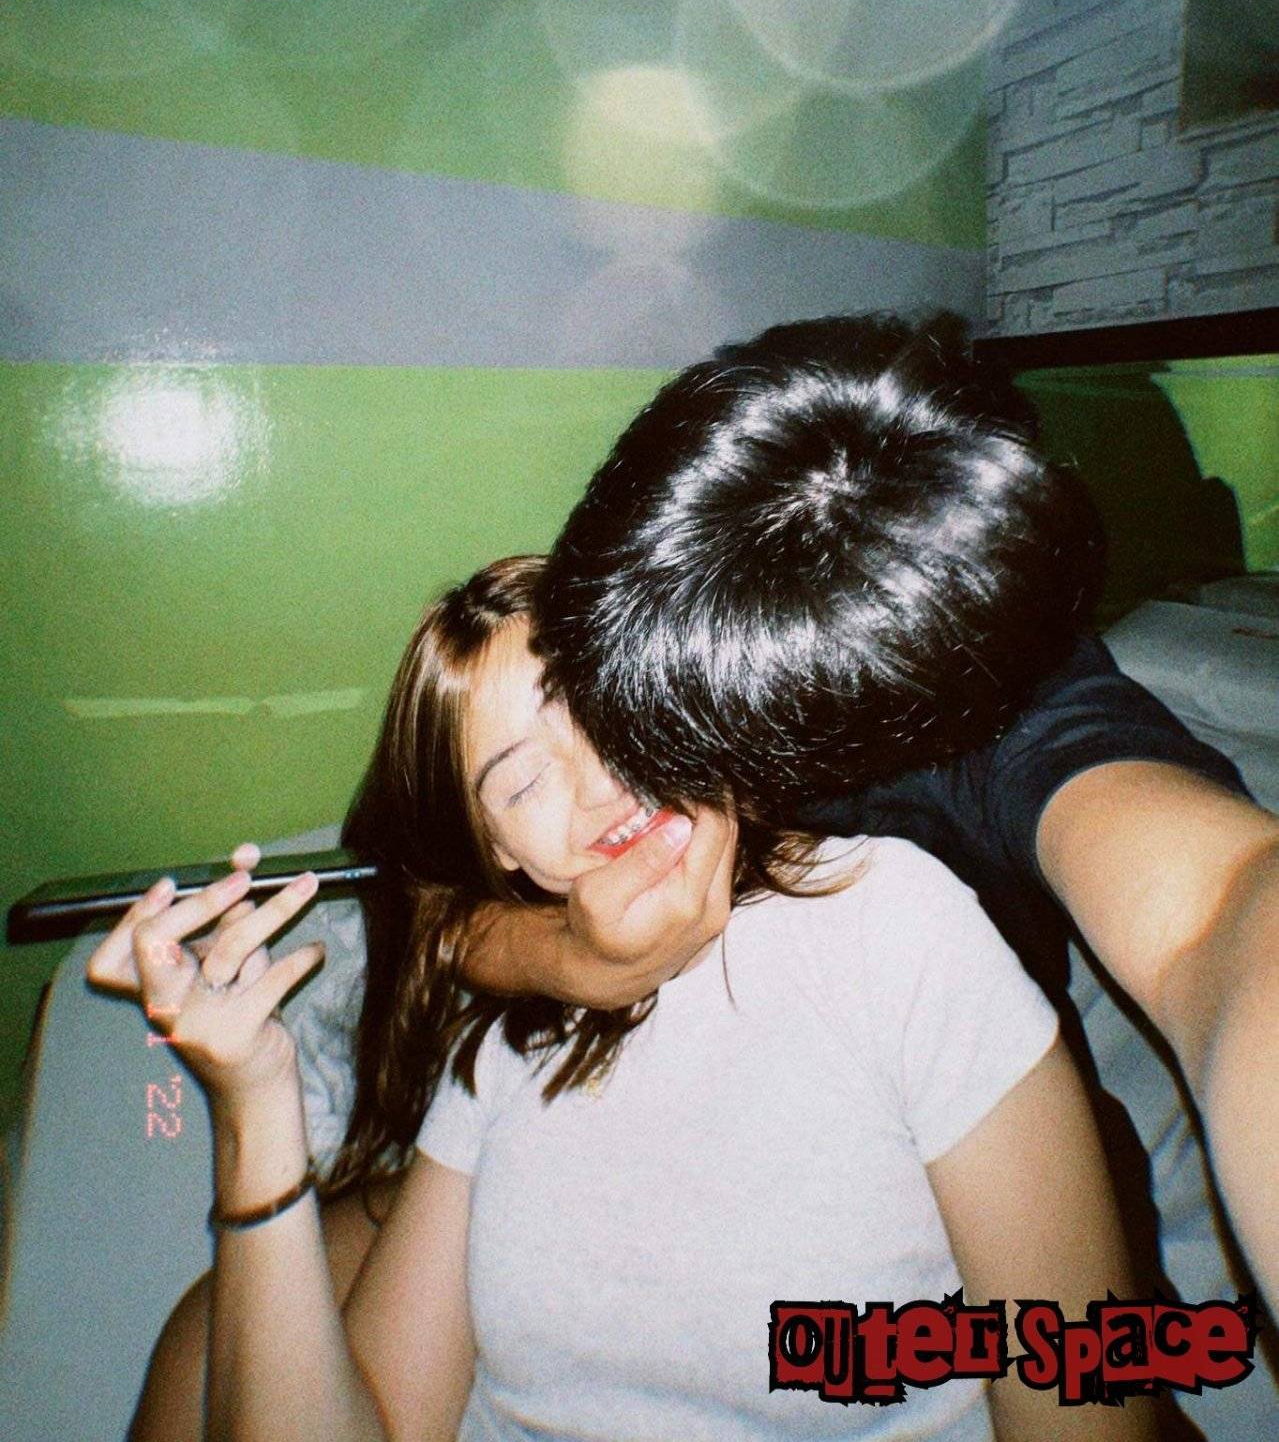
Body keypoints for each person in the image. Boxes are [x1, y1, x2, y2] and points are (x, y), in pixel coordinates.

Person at [92, 558, 1156, 1442]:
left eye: (600, 705)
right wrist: (254, 1105)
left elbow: (1078, 1395)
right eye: (522, 780)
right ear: (503, 857)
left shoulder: (890, 921)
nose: (598, 784)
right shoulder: (508, 1041)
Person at [454, 313, 1279, 1329]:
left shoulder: (996, 709)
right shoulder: (672, 596)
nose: (607, 770)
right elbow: (432, 911)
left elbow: (1215, 910)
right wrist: (568, 957)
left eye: (651, 725)